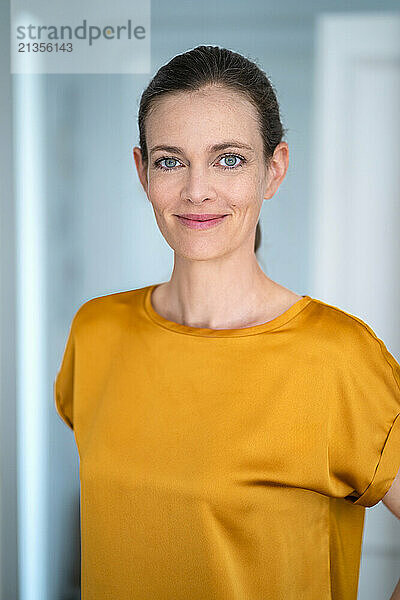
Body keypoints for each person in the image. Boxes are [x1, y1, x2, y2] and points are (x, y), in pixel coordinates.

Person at [54, 45, 400, 599]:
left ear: (274, 169)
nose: (196, 190)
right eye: (170, 160)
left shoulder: (339, 356)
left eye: (230, 158)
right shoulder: (95, 332)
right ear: (143, 172)